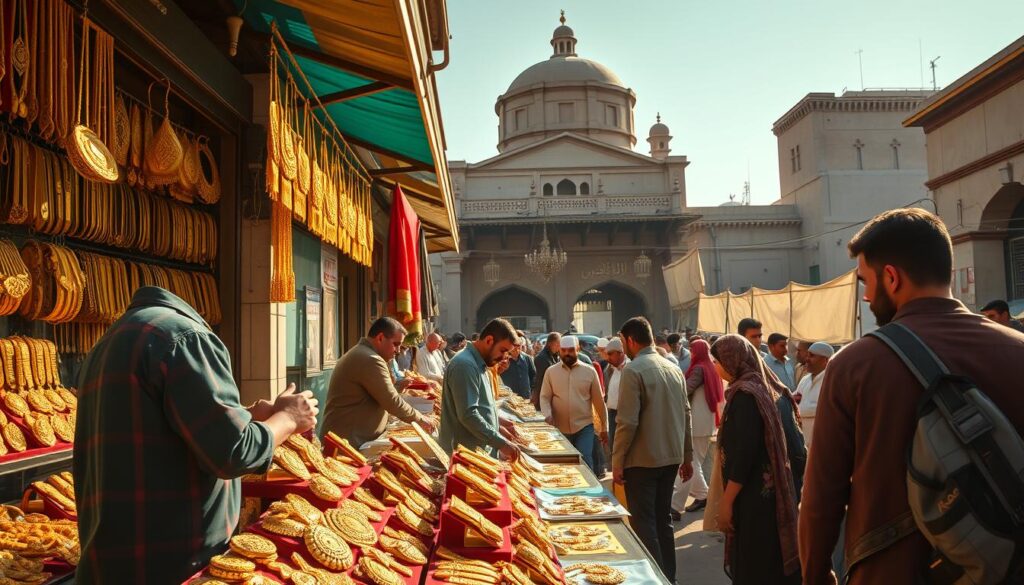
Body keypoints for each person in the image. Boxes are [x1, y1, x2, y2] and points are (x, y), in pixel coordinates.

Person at [799, 208, 1024, 585]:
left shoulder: (854, 366)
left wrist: (816, 575)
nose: (867, 295)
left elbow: (822, 499)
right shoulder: (1017, 349)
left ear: (891, 276)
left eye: (865, 281)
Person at [74, 286, 320, 584]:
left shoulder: (110, 341)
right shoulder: (186, 336)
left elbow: (165, 428)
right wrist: (289, 419)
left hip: (112, 561)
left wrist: (247, 415)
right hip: (171, 565)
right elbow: (235, 452)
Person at [711, 334, 801, 585]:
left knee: (755, 566)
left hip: (753, 499)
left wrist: (726, 502)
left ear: (733, 360)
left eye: (717, 361)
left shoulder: (746, 396)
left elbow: (744, 454)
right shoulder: (763, 387)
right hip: (767, 496)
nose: (715, 367)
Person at [612, 317, 692, 585]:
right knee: (662, 521)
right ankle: (670, 578)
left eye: (623, 343)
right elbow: (686, 414)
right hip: (671, 457)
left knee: (645, 526)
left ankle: (655, 580)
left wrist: (617, 461)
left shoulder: (634, 370)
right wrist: (687, 455)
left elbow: (627, 422)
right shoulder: (673, 367)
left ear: (631, 341)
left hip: (643, 460)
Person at [322, 318, 436, 446]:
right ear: (380, 338)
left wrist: (398, 386)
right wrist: (421, 419)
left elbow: (377, 392)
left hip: (350, 439)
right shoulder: (370, 359)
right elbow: (391, 401)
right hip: (347, 442)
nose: (398, 350)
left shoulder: (364, 353)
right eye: (396, 344)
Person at [438, 318, 522, 459]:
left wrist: (497, 421)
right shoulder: (465, 365)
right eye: (503, 350)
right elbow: (468, 415)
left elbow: (479, 406)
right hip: (465, 456)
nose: (503, 358)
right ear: (489, 340)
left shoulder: (480, 364)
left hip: (477, 453)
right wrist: (501, 443)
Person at [670, 339, 724, 518]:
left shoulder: (699, 369)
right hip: (706, 421)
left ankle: (675, 506)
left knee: (690, 463)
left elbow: (685, 390)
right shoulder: (711, 366)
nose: (690, 353)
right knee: (696, 463)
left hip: (696, 423)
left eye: (692, 350)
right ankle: (703, 496)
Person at [539, 336, 608, 472]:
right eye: (563, 350)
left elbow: (599, 402)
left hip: (584, 426)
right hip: (559, 427)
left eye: (571, 350)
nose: (567, 354)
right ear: (559, 351)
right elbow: (545, 397)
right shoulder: (551, 372)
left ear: (578, 349)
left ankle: (589, 491)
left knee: (584, 459)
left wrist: (605, 427)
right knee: (564, 464)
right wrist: (547, 414)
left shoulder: (589, 371)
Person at [794, 342, 833, 448]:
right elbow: (794, 401)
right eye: (807, 355)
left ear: (826, 360)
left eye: (812, 356)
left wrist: (801, 409)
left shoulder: (833, 380)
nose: (807, 359)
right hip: (803, 442)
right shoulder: (805, 380)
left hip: (823, 443)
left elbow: (828, 409)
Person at [603, 338, 629, 455]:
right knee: (614, 445)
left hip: (624, 413)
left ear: (620, 353)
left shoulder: (629, 367)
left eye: (610, 354)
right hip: (612, 412)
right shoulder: (611, 368)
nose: (608, 358)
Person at [531, 332, 561, 407]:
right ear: (549, 344)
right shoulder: (541, 358)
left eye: (559, 345)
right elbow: (539, 380)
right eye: (557, 344)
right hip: (544, 394)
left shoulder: (556, 356)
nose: (559, 347)